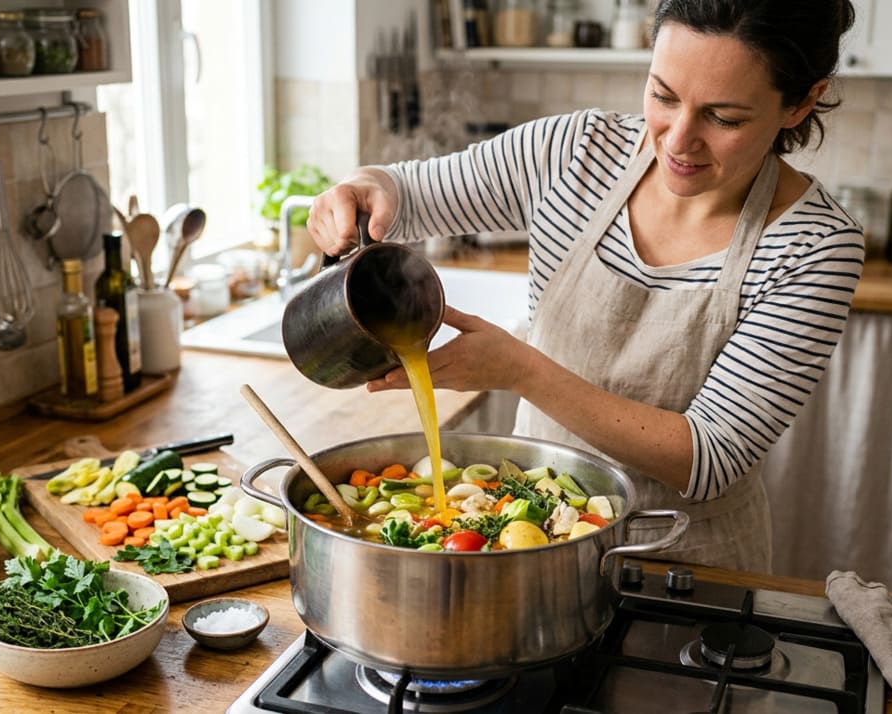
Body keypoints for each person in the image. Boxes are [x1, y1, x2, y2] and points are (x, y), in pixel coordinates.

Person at [305, 0, 863, 572]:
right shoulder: (573, 152)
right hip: (528, 541)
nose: (677, 140)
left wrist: (520, 369)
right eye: (663, 96)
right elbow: (407, 195)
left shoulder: (815, 246)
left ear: (802, 101)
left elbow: (708, 458)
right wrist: (360, 188)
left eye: (725, 118)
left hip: (687, 565)